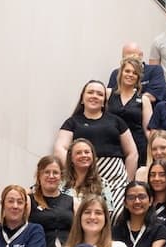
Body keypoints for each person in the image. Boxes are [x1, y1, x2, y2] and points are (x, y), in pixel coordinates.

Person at [55, 80, 138, 217]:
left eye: (100, 94)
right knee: (86, 214)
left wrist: (127, 182)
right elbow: (60, 148)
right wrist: (74, 171)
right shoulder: (72, 122)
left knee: (116, 214)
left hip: (115, 178)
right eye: (90, 92)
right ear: (82, 98)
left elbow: (132, 153)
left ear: (104, 100)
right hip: (82, 176)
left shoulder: (117, 121)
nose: (94, 96)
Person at [29, 155, 76, 247]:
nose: (51, 176)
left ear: (61, 176)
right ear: (39, 174)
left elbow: (79, 231)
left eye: (55, 172)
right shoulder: (29, 200)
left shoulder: (72, 201)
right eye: (46, 172)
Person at [112, 181, 166, 247]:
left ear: (150, 201)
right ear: (125, 203)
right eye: (131, 198)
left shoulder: (159, 230)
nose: (137, 201)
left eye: (142, 197)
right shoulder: (114, 231)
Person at [108, 56, 154, 165]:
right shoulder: (108, 94)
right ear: (121, 73)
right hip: (112, 145)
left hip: (137, 146)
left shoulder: (144, 99)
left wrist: (154, 147)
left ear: (138, 77)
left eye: (134, 73)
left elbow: (148, 129)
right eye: (127, 71)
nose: (130, 75)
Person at [64, 138, 111, 209]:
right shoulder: (61, 183)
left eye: (87, 152)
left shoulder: (102, 184)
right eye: (78, 153)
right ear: (71, 158)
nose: (83, 155)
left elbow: (108, 212)